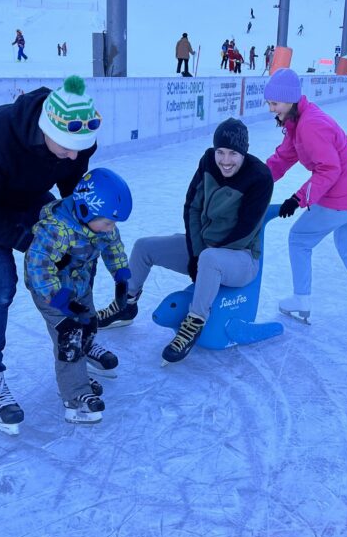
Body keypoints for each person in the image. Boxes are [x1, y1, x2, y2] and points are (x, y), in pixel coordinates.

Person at [0, 75, 101, 434]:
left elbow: (72, 190)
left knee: (74, 255)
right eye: (67, 148)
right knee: (1, 282)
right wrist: (28, 241)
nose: (74, 155)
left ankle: (80, 338)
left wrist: (81, 233)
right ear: (47, 129)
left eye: (80, 148)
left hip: (26, 191)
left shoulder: (76, 140)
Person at [96, 119, 273, 364]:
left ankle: (195, 322)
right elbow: (192, 207)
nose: (225, 160)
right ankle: (126, 304)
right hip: (204, 251)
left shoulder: (260, 177)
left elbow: (246, 228)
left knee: (211, 258)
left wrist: (204, 259)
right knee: (144, 247)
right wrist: (196, 254)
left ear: (244, 152)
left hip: (241, 258)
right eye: (220, 151)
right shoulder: (208, 162)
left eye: (233, 153)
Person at [262, 68, 347, 322]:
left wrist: (297, 199)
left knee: (299, 239)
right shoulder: (298, 121)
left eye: (275, 103)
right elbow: (283, 158)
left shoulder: (310, 125)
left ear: (290, 100)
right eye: (270, 103)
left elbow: (329, 169)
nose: (271, 109)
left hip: (344, 196)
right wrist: (257, 180)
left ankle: (301, 299)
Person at [25, 169, 132, 425]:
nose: (111, 228)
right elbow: (38, 269)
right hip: (50, 292)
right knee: (70, 338)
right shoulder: (56, 230)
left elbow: (113, 246)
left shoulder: (101, 223)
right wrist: (63, 303)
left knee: (89, 325)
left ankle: (79, 373)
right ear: (85, 211)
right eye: (108, 222)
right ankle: (74, 395)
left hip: (79, 286)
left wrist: (121, 277)